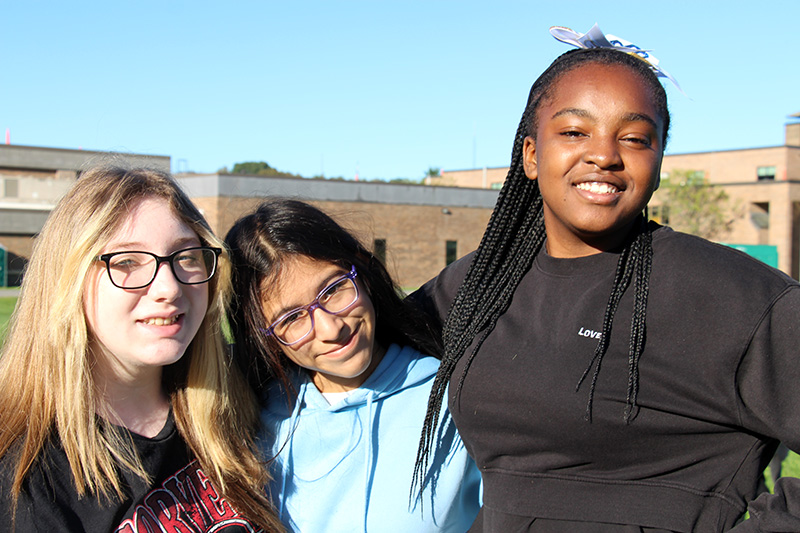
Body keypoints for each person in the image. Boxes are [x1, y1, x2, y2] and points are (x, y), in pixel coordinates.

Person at [412, 36, 800, 532]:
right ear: (531, 155)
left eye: (635, 138)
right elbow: (352, 344)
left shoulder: (734, 297)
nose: (604, 155)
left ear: (658, 161)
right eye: (574, 132)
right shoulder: (477, 285)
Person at [0, 165, 283, 532]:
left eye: (186, 257)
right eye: (127, 261)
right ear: (67, 279)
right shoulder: (24, 477)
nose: (168, 287)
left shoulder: (244, 393)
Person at [225, 198, 481, 533]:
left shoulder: (457, 400)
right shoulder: (252, 420)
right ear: (264, 338)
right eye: (292, 318)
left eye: (333, 290)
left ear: (362, 271)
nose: (332, 329)